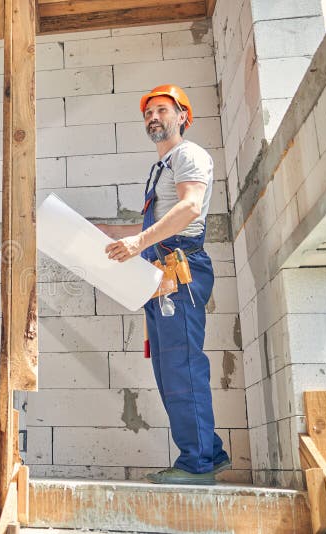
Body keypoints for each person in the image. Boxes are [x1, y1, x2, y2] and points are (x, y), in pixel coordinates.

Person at [96, 84, 230, 485]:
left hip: (180, 266)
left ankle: (197, 466)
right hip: (162, 271)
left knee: (181, 367)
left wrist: (137, 243)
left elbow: (189, 207)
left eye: (161, 110)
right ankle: (210, 452)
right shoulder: (163, 166)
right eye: (148, 113)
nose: (153, 117)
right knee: (170, 369)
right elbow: (148, 226)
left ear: (182, 117)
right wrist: (96, 232)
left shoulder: (188, 155)